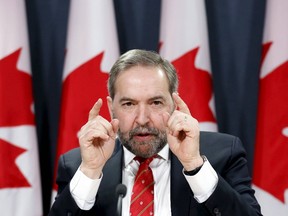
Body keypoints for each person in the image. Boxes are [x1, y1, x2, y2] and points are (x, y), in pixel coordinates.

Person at [49, 49, 262, 216]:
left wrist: (194, 166)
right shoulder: (77, 166)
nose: (142, 119)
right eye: (129, 104)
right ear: (111, 107)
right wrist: (90, 171)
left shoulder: (223, 155)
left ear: (174, 104)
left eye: (156, 102)